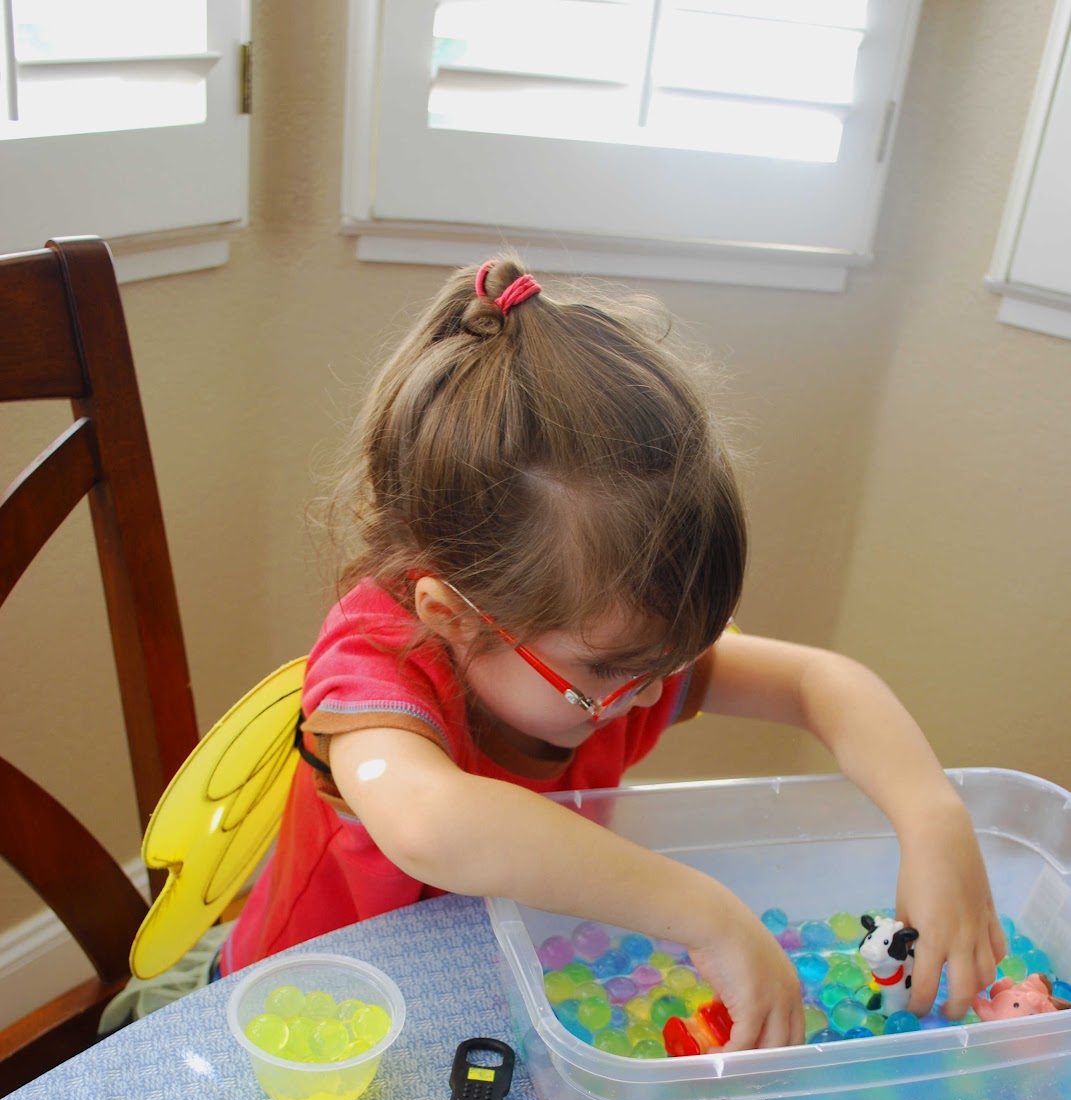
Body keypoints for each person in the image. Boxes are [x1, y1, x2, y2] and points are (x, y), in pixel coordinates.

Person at [219, 258, 1005, 1050]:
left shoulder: (627, 657)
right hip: (298, 1007)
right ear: (452, 613)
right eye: (608, 671)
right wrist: (701, 909)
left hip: (484, 992)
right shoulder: (378, 661)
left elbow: (817, 682)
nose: (649, 692)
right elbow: (430, 824)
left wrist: (932, 817)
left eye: (670, 660)